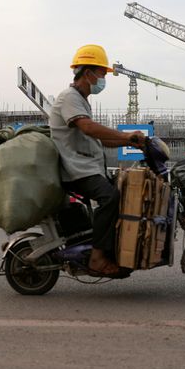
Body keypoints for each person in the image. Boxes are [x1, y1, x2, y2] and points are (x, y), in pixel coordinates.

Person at [49, 44, 146, 278]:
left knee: (120, 195)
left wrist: (130, 142)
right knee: (110, 197)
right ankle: (98, 258)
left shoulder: (81, 99)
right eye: (102, 74)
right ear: (87, 72)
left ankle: (110, 249)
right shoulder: (69, 98)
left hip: (86, 168)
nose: (103, 79)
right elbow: (88, 127)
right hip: (76, 170)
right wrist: (125, 135)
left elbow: (98, 140)